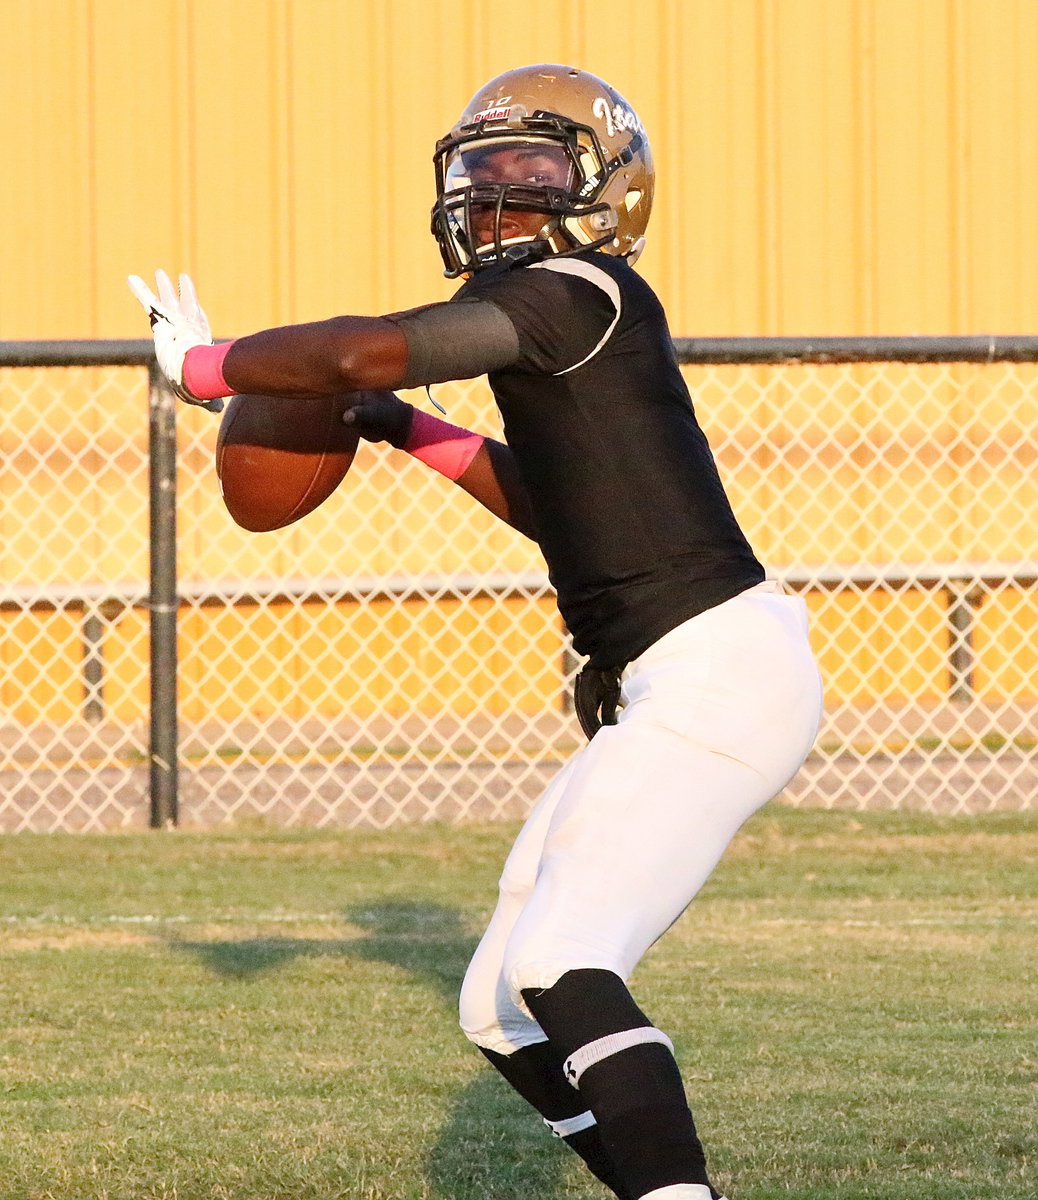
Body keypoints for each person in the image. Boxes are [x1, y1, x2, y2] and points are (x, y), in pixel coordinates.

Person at [130, 64, 822, 1200]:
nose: (499, 196)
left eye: (533, 172)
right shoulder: (549, 330)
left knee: (560, 963)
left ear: (604, 194)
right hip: (673, 678)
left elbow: (356, 347)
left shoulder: (580, 287)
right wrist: (405, 427)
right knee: (498, 1008)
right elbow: (556, 508)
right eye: (480, 174)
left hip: (718, 670)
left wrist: (204, 367)